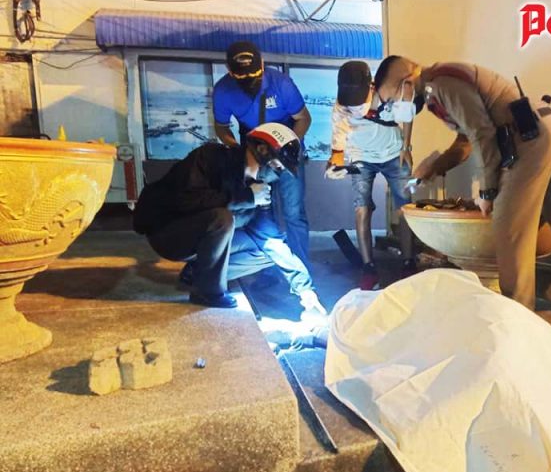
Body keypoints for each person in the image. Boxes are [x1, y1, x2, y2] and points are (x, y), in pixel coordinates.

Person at [375, 56, 551, 335]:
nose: (394, 107)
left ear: (406, 83)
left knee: (510, 229)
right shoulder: (441, 83)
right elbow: (466, 142)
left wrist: (488, 191)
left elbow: (482, 134)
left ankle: (518, 324)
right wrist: (434, 168)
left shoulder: (440, 85)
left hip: (531, 138)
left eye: (391, 101)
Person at [133, 123, 325, 315]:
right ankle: (207, 293)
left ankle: (198, 273)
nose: (273, 173)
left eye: (279, 170)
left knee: (268, 251)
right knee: (221, 218)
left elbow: (270, 239)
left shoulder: (259, 187)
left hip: (205, 238)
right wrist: (245, 197)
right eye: (275, 165)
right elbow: (185, 201)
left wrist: (305, 289)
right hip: (168, 233)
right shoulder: (210, 158)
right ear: (261, 150)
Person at [213, 40, 312, 268]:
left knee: (293, 212)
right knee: (260, 210)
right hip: (252, 150)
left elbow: (304, 118)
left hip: (286, 146)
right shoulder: (223, 90)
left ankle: (301, 268)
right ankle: (266, 267)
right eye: (241, 76)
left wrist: (286, 146)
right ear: (229, 71)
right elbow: (221, 126)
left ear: (263, 64)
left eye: (254, 74)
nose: (250, 80)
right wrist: (237, 151)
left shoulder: (281, 83)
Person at [324, 60, 417, 290]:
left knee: (406, 207)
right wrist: (334, 165)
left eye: (359, 100)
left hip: (393, 153)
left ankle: (409, 261)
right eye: (351, 101)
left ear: (371, 86)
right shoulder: (340, 107)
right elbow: (337, 147)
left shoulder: (386, 93)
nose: (355, 107)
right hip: (361, 157)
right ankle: (368, 268)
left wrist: (406, 147)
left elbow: (407, 112)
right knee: (361, 208)